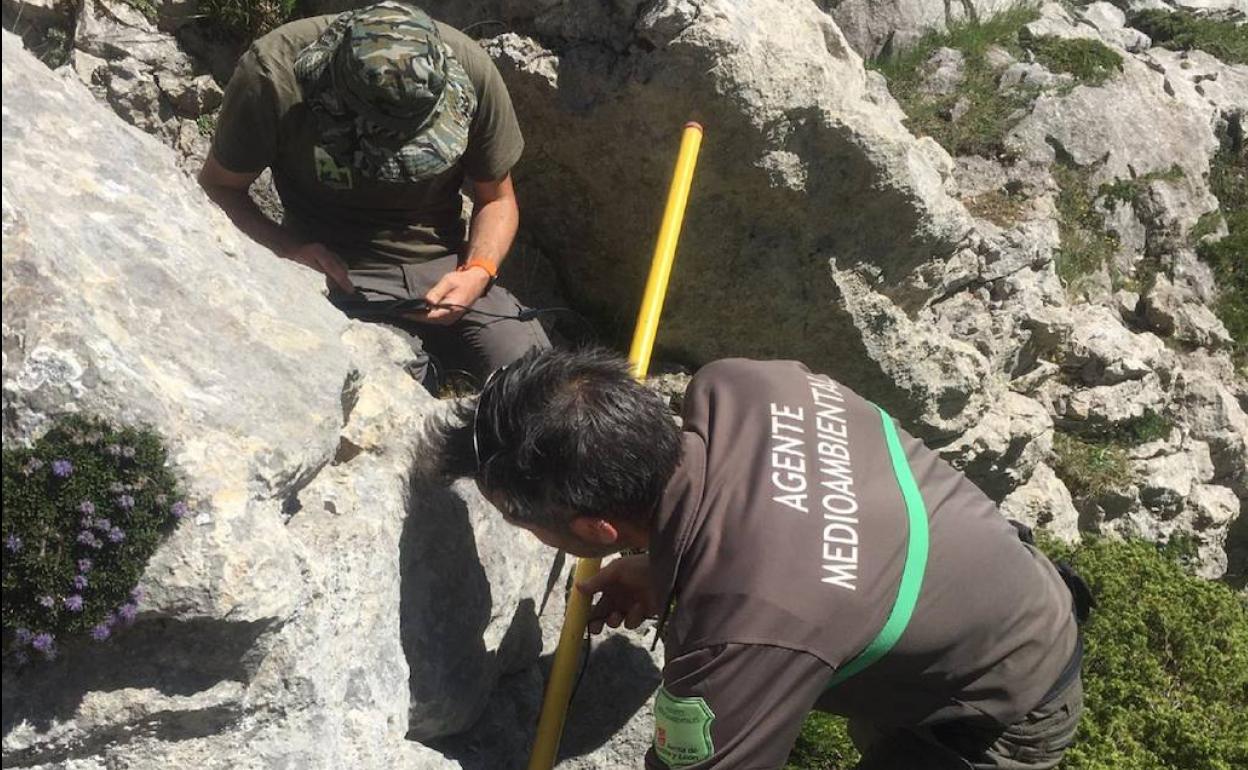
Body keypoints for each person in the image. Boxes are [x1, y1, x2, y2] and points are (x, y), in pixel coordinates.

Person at [436, 347, 1086, 769]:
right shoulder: (740, 384)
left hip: (1003, 702)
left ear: (597, 528)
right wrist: (669, 568)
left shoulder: (750, 625)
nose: (524, 536)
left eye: (519, 520)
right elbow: (783, 518)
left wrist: (705, 601)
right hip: (994, 582)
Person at [198, 1, 550, 389]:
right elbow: (220, 187)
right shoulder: (273, 75)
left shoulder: (471, 67)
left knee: (536, 382)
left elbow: (497, 200)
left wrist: (478, 271)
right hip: (334, 271)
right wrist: (289, 251)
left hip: (446, 266)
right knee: (387, 386)